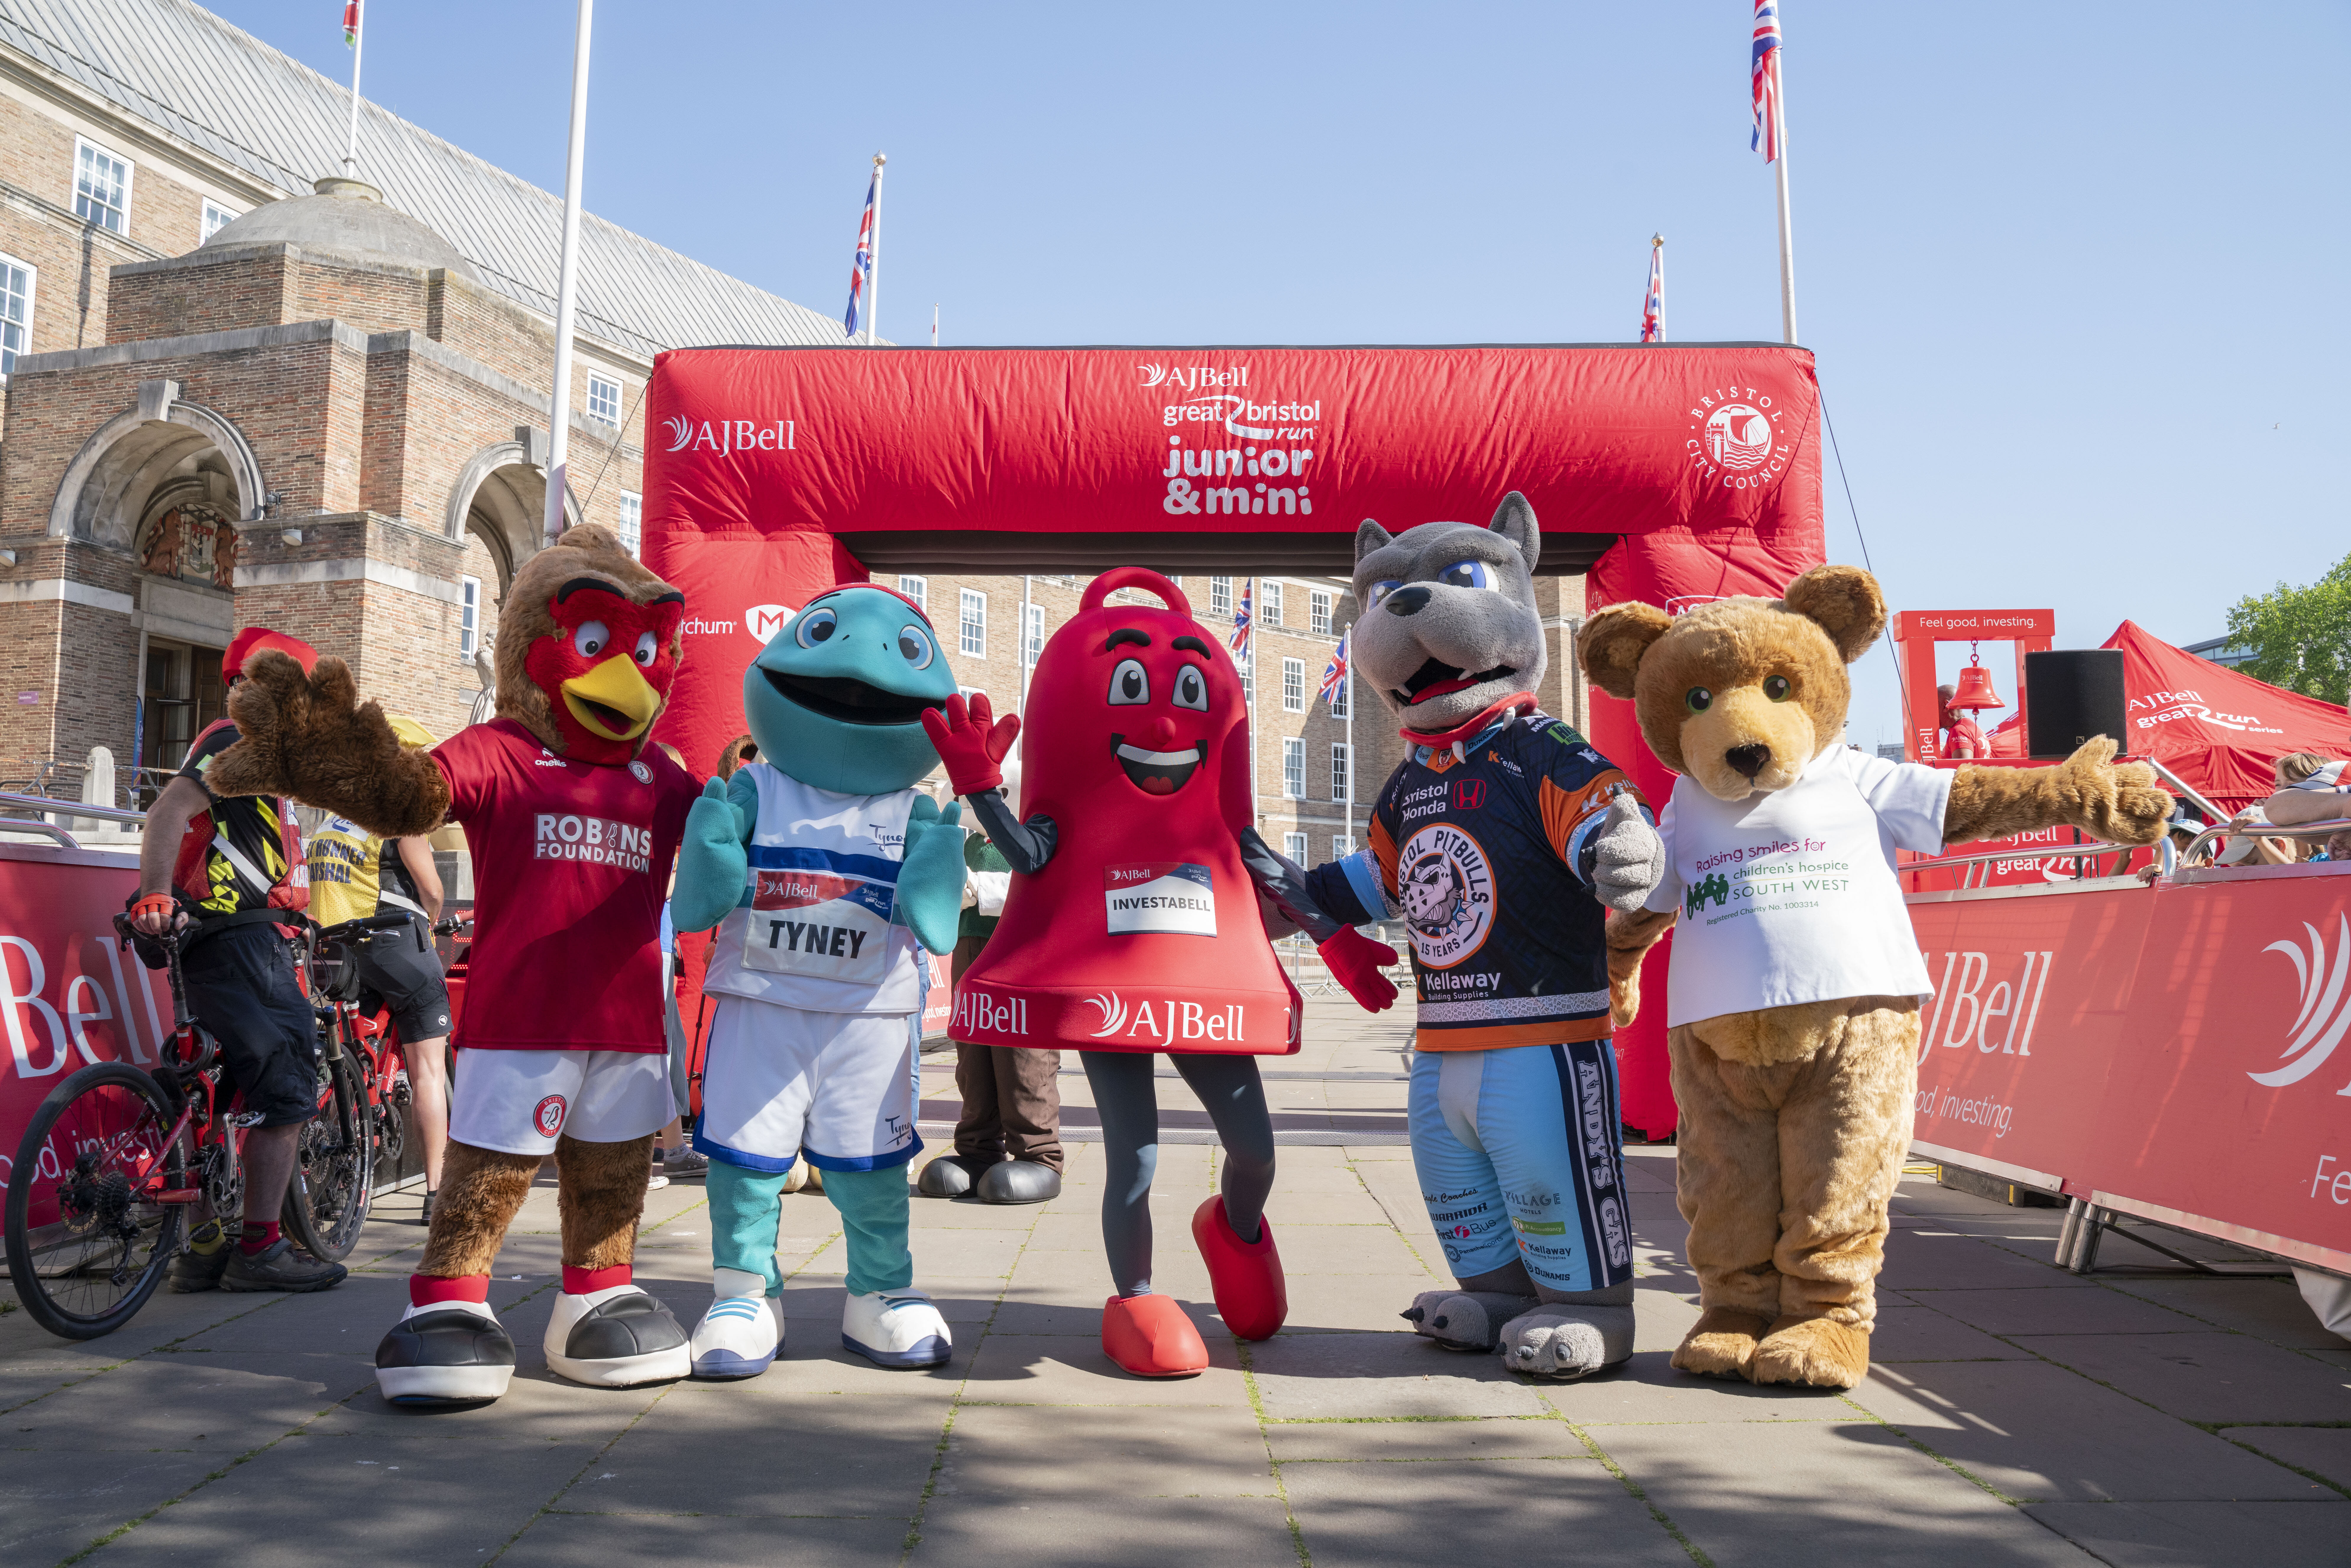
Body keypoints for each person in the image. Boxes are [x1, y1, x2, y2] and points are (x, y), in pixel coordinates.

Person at [142, 628, 348, 1294]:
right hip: (240, 944)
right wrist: (153, 892)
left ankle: (202, 1248)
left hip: (222, 939)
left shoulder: (250, 751)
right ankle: (259, 1248)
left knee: (217, 1091)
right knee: (288, 1091)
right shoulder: (237, 739)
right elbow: (170, 809)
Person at [304, 715, 456, 1225]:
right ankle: (438, 1191)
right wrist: (433, 925)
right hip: (393, 941)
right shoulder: (397, 811)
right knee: (429, 1070)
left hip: (335, 949)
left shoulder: (332, 817)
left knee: (347, 1055)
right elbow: (431, 889)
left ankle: (334, 1177)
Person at [916, 759, 1064, 1203]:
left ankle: (1038, 1154)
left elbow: (1041, 882)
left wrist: (980, 889)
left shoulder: (1033, 835)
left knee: (1024, 1055)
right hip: (971, 952)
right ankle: (978, 1148)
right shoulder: (968, 841)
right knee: (974, 1052)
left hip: (1023, 956)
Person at [1937, 683, 1986, 760]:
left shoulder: (1959, 731)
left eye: (1933, 706)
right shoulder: (1971, 727)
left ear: (1946, 706)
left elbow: (1963, 770)